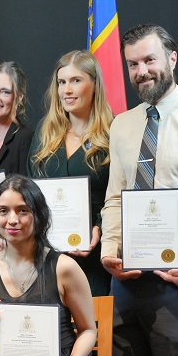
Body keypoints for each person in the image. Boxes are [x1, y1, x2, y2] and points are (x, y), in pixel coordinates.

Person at [101, 24, 178, 356]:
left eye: (149, 60)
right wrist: (109, 251)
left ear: (172, 58)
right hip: (126, 278)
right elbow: (115, 196)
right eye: (132, 64)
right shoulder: (122, 125)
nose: (141, 71)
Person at [0, 174, 99, 356]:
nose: (12, 220)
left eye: (23, 210)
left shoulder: (64, 267)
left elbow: (88, 330)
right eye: (3, 211)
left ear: (38, 215)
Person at [28, 50, 112, 296]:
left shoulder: (113, 133)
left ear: (94, 85)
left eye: (76, 80)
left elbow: (120, 194)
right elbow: (29, 190)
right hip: (45, 255)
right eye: (61, 82)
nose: (67, 90)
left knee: (94, 328)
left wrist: (100, 227)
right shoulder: (45, 131)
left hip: (92, 256)